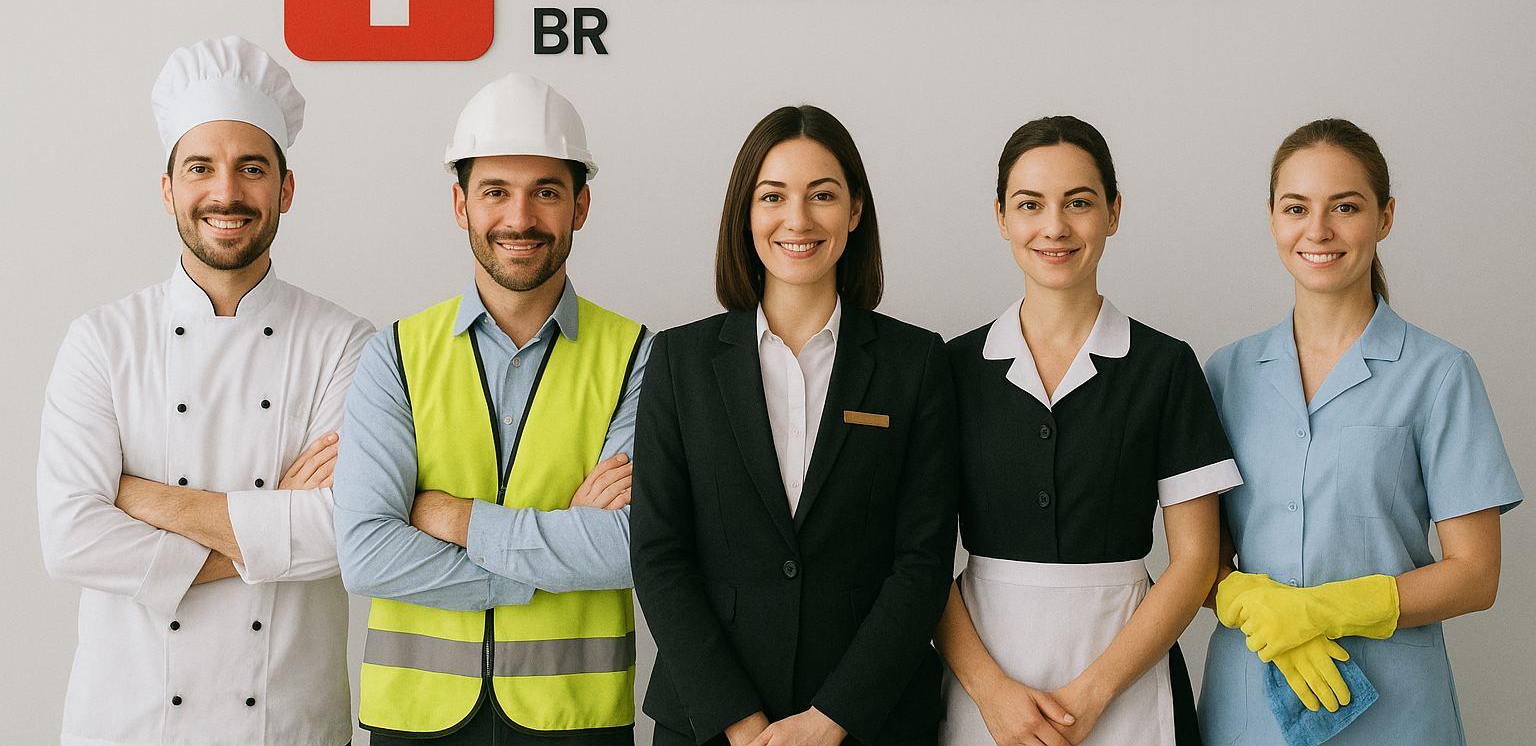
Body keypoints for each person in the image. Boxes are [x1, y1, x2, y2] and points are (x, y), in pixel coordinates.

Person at [37, 36, 375, 746]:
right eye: (201, 168)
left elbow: (345, 531)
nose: (226, 193)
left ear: (285, 189)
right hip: (126, 727)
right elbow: (70, 538)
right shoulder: (101, 341)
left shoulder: (346, 342)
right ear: (168, 190)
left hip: (286, 727)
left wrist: (142, 499)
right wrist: (271, 526)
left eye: (252, 168)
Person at [334, 73, 649, 746]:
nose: (519, 218)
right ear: (461, 204)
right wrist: (555, 554)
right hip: (415, 720)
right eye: (495, 192)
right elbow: (365, 555)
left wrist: (453, 518)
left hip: (577, 719)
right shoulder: (395, 354)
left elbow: (630, 547)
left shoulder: (638, 356)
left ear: (581, 205)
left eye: (546, 192)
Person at [631, 105, 959, 746]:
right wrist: (738, 720)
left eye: (823, 195)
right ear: (745, 213)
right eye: (773, 196)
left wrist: (830, 719)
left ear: (855, 210)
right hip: (710, 725)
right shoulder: (678, 361)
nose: (798, 219)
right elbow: (659, 556)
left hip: (871, 724)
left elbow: (922, 564)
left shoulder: (916, 363)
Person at [1197, 118, 1522, 746]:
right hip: (1249, 708)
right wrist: (1249, 600)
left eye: (1345, 207)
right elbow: (1200, 561)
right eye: (1296, 208)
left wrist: (1318, 610)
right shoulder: (1225, 374)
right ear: (1272, 219)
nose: (1318, 230)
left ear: (1385, 217)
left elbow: (1476, 574)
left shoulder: (1440, 374)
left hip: (1395, 712)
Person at [934, 115, 1242, 746]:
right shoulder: (951, 370)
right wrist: (990, 693)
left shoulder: (1164, 367)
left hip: (1128, 683)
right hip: (982, 684)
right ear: (1001, 217)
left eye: (1078, 202)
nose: (1055, 226)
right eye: (1030, 204)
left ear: (1113, 212)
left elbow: (1195, 561)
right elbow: (919, 558)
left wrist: (1091, 694)